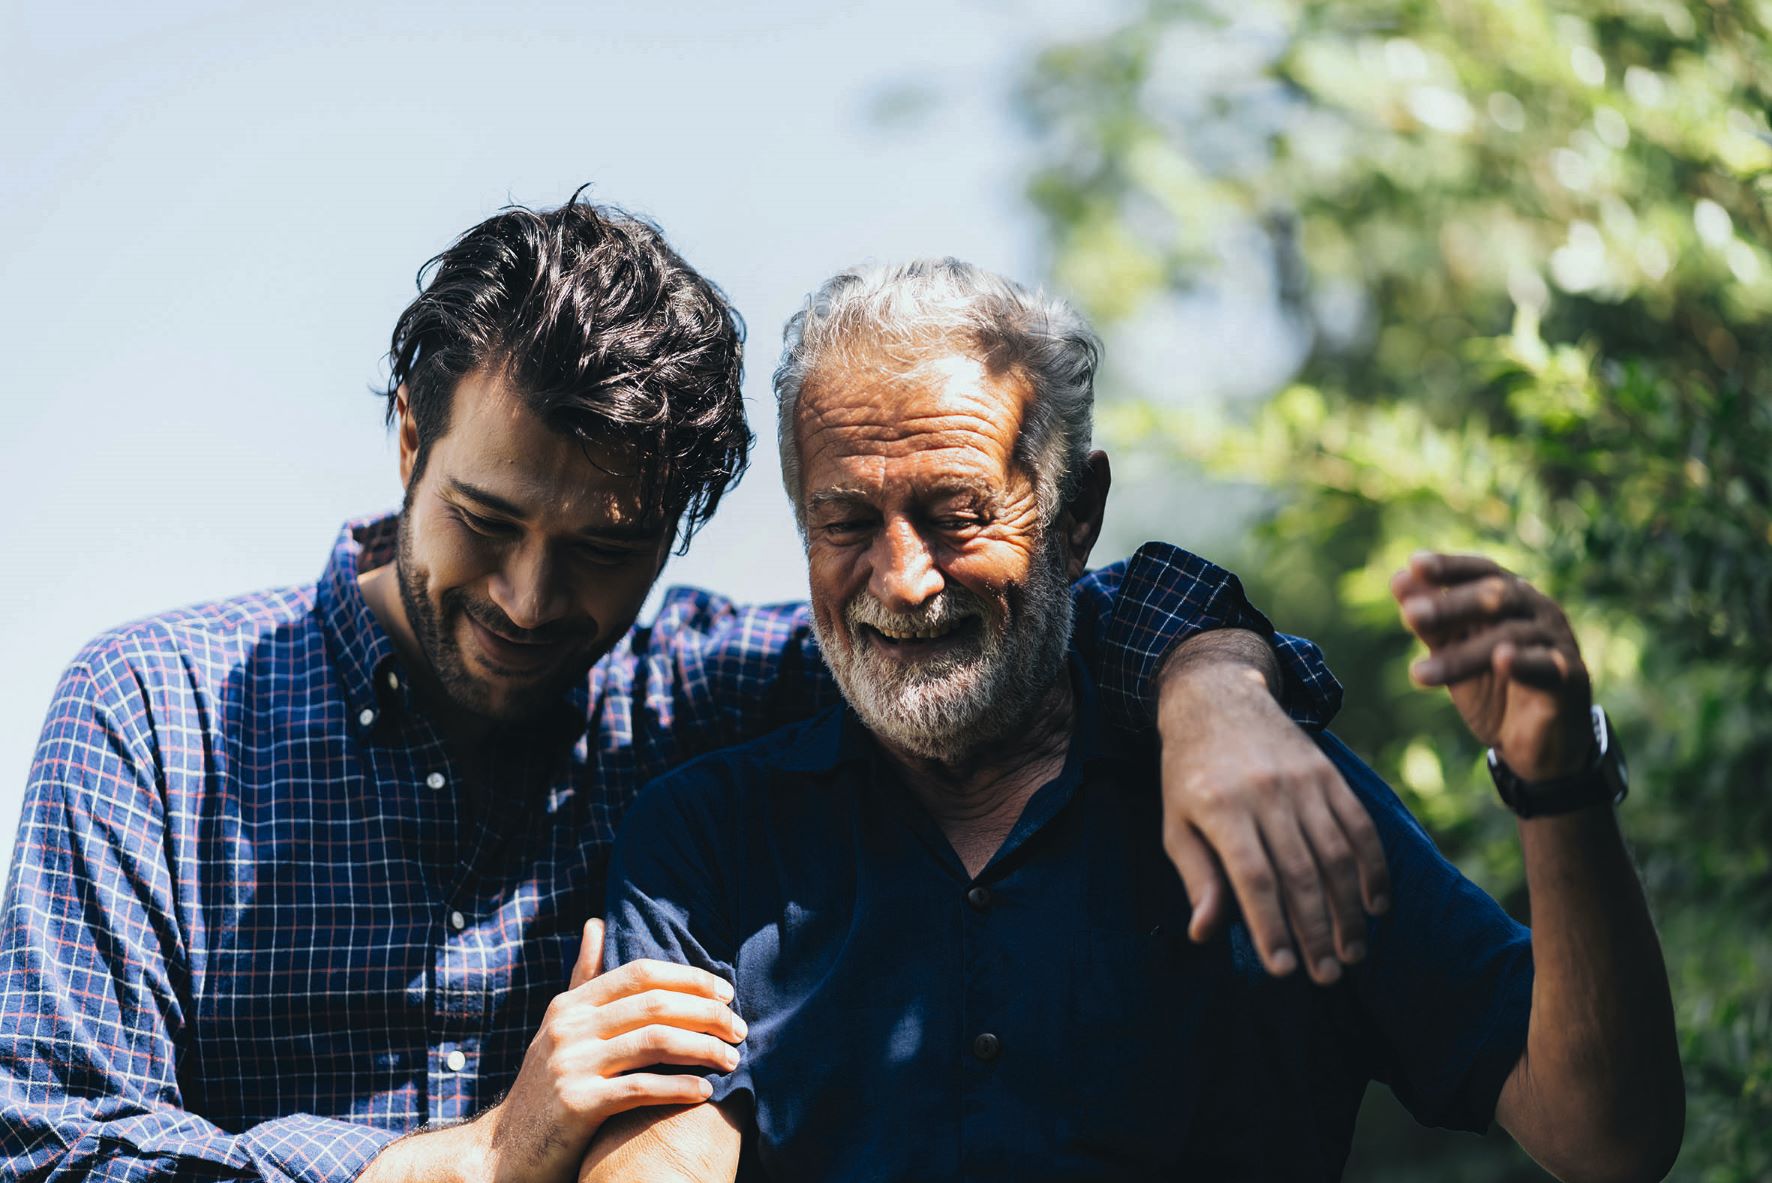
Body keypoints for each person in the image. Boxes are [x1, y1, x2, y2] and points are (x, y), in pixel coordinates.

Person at [0, 197, 1384, 1183]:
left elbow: (1012, 608)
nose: (535, 600)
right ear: (410, 435)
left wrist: (1217, 686)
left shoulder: (706, 696)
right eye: (487, 520)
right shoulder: (150, 716)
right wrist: (475, 1158)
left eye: (605, 549)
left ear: (681, 524)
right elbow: (48, 1145)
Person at [585, 259, 1685, 1182]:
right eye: (843, 522)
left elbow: (1604, 1133)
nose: (903, 578)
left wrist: (1557, 779)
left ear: (1075, 517)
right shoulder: (704, 837)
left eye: (956, 514)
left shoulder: (1267, 788)